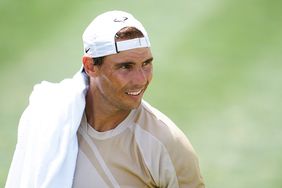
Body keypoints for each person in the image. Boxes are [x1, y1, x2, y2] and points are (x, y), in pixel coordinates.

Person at [5, 10, 205, 188]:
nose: (141, 79)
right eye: (125, 67)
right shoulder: (49, 119)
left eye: (146, 64)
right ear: (91, 66)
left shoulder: (168, 144)